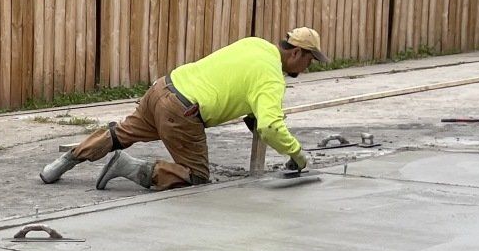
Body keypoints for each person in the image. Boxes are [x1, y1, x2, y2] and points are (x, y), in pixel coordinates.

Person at [40, 28, 323, 190]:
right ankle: (129, 167)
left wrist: (255, 116)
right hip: (183, 112)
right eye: (309, 61)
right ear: (296, 52)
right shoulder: (272, 76)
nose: (307, 68)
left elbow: (237, 83)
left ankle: (61, 164)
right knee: (197, 177)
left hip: (163, 88)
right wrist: (298, 156)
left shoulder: (255, 44)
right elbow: (270, 126)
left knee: (121, 133)